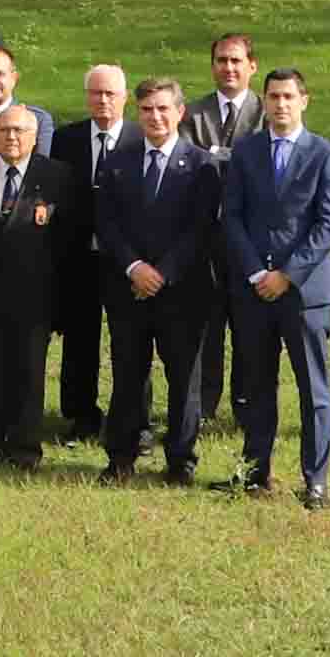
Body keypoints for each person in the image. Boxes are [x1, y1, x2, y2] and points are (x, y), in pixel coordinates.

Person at [222, 68, 330, 508]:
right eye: (273, 97)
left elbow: (327, 225)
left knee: (313, 388)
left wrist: (287, 275)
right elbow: (231, 217)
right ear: (265, 101)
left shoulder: (326, 155)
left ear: (304, 101)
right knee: (256, 385)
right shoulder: (246, 151)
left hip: (304, 292)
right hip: (254, 290)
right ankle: (255, 473)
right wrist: (258, 273)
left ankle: (315, 481)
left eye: (288, 97)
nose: (280, 105)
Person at [95, 77, 223, 486]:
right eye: (147, 109)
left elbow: (201, 229)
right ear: (138, 112)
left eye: (164, 108)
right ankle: (121, 457)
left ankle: (181, 460)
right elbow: (107, 223)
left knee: (184, 378)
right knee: (129, 373)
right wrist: (135, 267)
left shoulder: (202, 165)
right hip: (128, 287)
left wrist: (163, 272)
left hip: (183, 290)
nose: (156, 117)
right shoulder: (117, 161)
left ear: (180, 112)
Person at [0, 105, 77, 467]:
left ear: (35, 137)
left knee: (28, 372)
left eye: (20, 130)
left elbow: (67, 242)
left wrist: (62, 302)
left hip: (35, 296)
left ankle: (25, 447)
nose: (12, 137)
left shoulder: (57, 177)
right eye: (5, 130)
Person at [46, 65, 133, 444]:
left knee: (130, 343)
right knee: (79, 342)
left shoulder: (139, 138)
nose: (103, 100)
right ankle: (81, 416)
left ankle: (133, 419)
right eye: (96, 93)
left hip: (126, 260)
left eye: (110, 94)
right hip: (78, 258)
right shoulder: (67, 140)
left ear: (125, 97)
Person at [183, 31, 262, 425]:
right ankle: (204, 407)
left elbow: (261, 169)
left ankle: (246, 408)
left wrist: (215, 155)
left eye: (236, 61)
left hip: (251, 240)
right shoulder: (192, 114)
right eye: (221, 61)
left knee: (248, 329)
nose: (228, 68)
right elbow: (190, 165)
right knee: (207, 330)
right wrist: (228, 158)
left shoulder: (267, 112)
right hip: (204, 239)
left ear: (252, 66)